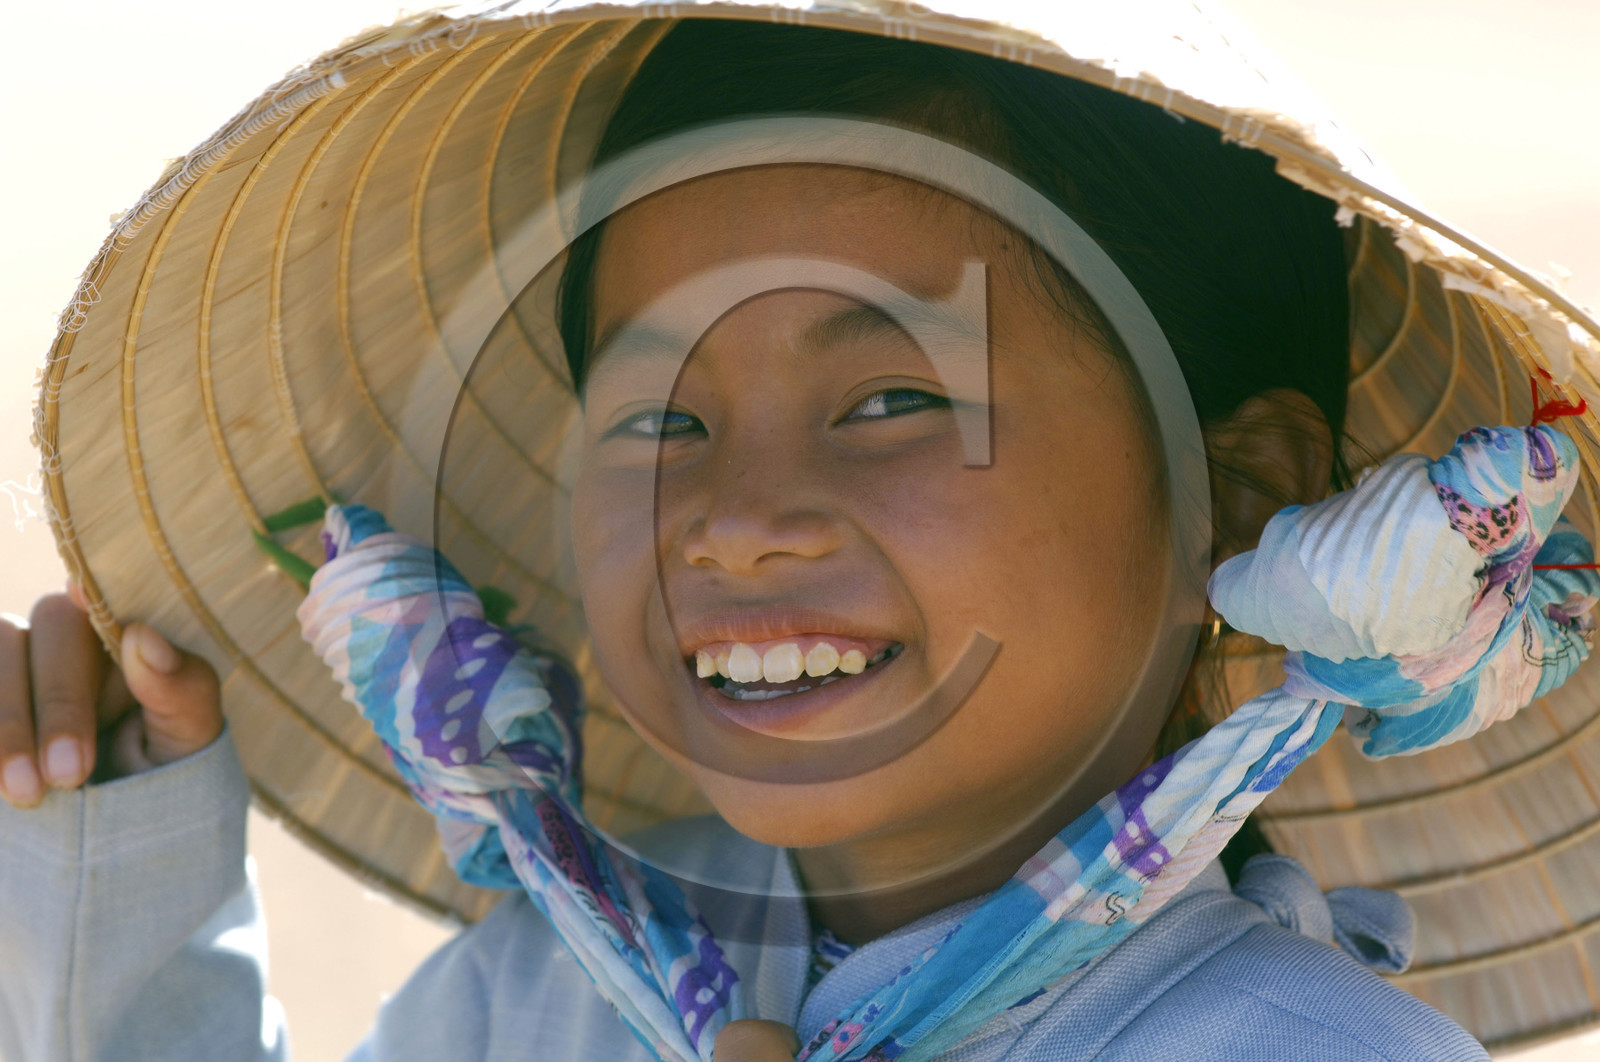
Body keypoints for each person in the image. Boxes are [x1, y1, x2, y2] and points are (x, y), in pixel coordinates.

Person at [3, 9, 1593, 1062]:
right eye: (661, 421)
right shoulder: (551, 980)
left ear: (1235, 492)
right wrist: (102, 889)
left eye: (893, 399)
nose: (736, 526)